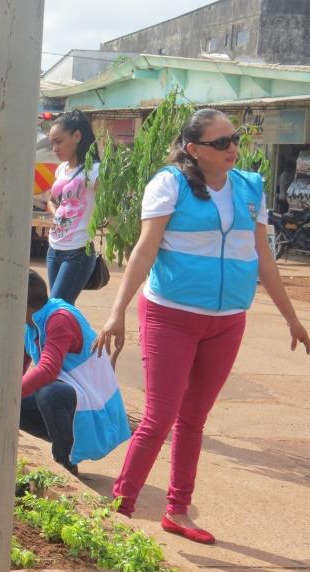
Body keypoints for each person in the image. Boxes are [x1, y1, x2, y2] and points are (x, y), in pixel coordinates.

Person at [94, 108, 310, 543]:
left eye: (235, 139)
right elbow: (144, 251)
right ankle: (121, 508)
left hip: (227, 322)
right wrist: (117, 310)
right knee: (160, 417)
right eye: (221, 143)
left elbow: (264, 259)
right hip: (169, 316)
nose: (233, 148)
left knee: (194, 420)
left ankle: (177, 511)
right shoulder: (169, 184)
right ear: (194, 150)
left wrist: (293, 318)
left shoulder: (249, 188)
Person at [22, 270, 130, 476]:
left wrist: (8, 396)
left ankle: (65, 463)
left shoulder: (58, 319)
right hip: (77, 400)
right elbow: (17, 368)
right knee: (13, 401)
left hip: (97, 413)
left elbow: (48, 369)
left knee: (48, 393)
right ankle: (63, 441)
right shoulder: (32, 321)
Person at [46, 110, 100, 304]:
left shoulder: (94, 170)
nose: (54, 148)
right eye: (52, 143)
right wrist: (57, 216)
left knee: (55, 308)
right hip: (54, 248)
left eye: (58, 142)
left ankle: (84, 335)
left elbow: (114, 201)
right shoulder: (62, 169)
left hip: (78, 250)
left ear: (77, 136)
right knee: (60, 311)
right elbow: (52, 200)